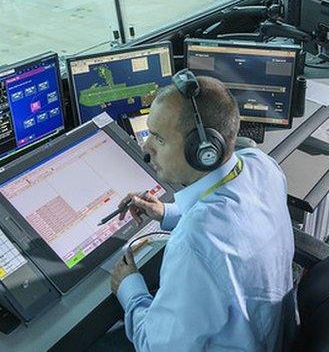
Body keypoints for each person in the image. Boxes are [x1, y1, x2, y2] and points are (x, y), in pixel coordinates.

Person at [108, 72, 294, 351]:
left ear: (203, 150)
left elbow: (155, 347)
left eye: (158, 139)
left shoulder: (194, 244)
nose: (145, 149)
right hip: (271, 331)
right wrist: (166, 213)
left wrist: (130, 289)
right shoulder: (260, 165)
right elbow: (233, 220)